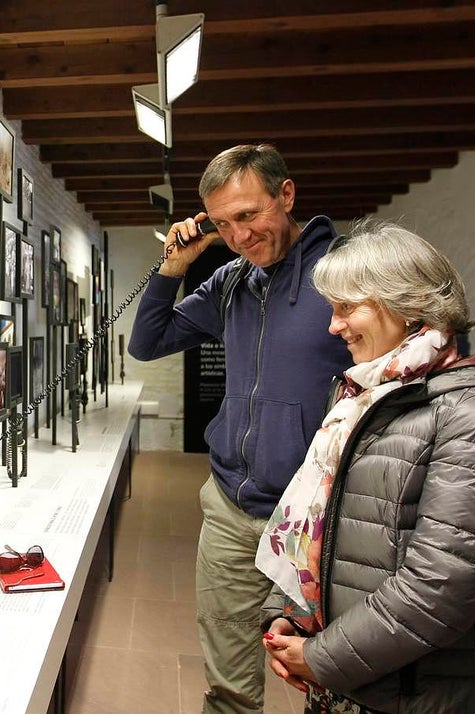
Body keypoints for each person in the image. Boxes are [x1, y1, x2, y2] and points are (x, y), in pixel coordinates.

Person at [257, 220, 475, 713]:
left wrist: (322, 657)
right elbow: (324, 527)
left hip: (418, 693)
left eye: (347, 308)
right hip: (351, 678)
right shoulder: (362, 397)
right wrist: (294, 614)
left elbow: (441, 587)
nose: (333, 326)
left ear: (407, 305)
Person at [127, 144, 354, 713]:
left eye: (249, 215)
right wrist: (174, 267)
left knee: (335, 674)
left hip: (320, 516)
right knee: (228, 680)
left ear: (286, 194)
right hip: (231, 507)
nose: (239, 236)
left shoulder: (348, 272)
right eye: (223, 223)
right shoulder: (232, 281)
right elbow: (148, 343)